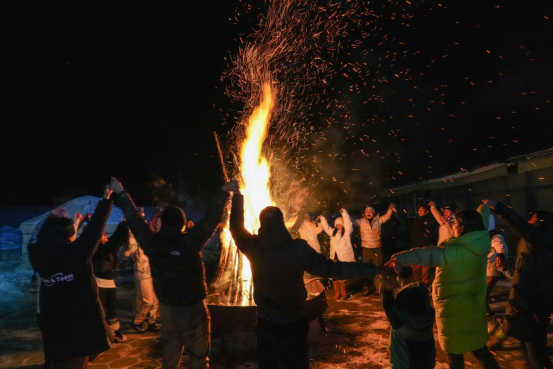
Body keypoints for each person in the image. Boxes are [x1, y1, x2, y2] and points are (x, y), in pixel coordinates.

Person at [229, 187, 377, 369]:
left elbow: (235, 227)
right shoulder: (297, 249)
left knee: (268, 364)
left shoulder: (253, 247)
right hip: (293, 322)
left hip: (266, 322)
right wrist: (367, 268)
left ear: (261, 224)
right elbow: (332, 268)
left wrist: (237, 196)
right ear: (282, 223)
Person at [110, 177, 234, 369]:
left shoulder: (152, 243)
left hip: (168, 309)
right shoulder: (191, 241)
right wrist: (224, 191)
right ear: (183, 224)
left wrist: (121, 193)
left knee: (170, 359)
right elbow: (211, 218)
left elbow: (134, 219)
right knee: (199, 358)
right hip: (193, 309)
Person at [386, 203, 501, 369]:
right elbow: (481, 215)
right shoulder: (481, 238)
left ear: (463, 228)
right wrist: (485, 206)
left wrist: (399, 258)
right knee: (479, 349)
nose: (452, 225)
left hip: (453, 310)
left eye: (455, 223)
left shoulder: (454, 252)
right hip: (473, 307)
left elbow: (428, 254)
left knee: (454, 354)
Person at [29, 185, 113, 369]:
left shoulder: (36, 252)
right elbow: (96, 230)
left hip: (53, 323)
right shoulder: (75, 255)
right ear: (68, 236)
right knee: (74, 362)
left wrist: (57, 220)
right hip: (77, 326)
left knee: (57, 359)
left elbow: (43, 236)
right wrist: (106, 198)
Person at [486, 201, 553, 369]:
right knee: (524, 335)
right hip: (532, 294)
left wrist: (499, 208)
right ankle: (528, 364)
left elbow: (519, 224)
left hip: (530, 297)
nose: (530, 219)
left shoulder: (538, 237)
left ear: (540, 223)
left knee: (532, 342)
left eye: (533, 218)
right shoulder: (542, 239)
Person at [381, 277, 435, 369]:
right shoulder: (429, 315)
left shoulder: (400, 321)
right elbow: (414, 295)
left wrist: (384, 282)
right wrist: (400, 274)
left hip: (405, 366)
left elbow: (387, 301)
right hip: (427, 363)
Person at [92, 221, 130, 343]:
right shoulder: (98, 249)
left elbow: (116, 243)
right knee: (101, 309)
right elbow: (116, 241)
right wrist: (123, 226)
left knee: (111, 307)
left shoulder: (107, 248)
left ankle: (113, 330)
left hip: (109, 281)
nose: (106, 238)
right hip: (99, 281)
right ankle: (101, 335)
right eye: (104, 236)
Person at [124, 214, 160, 334]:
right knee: (148, 300)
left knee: (155, 300)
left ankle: (152, 321)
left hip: (151, 272)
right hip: (142, 272)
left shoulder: (150, 237)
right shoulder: (136, 238)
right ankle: (137, 321)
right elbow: (132, 251)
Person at [352, 204, 394, 295]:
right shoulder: (361, 221)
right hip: (366, 249)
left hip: (377, 248)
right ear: (365, 213)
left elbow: (387, 217)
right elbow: (352, 221)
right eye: (367, 211)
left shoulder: (378, 220)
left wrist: (390, 209)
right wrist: (344, 213)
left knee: (378, 269)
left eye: (370, 211)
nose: (368, 213)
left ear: (373, 213)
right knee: (366, 269)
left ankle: (378, 288)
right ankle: (367, 287)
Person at [393, 203, 439, 286]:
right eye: (419, 210)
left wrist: (434, 207)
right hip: (415, 249)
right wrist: (396, 212)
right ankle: (418, 285)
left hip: (426, 250)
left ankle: (425, 285)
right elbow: (403, 220)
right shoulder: (415, 221)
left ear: (427, 211)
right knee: (416, 269)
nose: (419, 211)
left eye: (422, 210)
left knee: (425, 269)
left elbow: (438, 218)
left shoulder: (431, 221)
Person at [318, 208, 355, 300]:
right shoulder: (332, 233)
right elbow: (326, 227)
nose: (339, 226)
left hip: (343, 257)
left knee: (341, 275)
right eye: (337, 224)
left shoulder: (347, 233)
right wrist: (322, 218)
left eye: (340, 224)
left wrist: (344, 213)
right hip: (334, 257)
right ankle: (337, 293)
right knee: (334, 275)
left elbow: (348, 223)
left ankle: (344, 293)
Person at [485, 229, 509, 335]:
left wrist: (501, 256)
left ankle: (492, 321)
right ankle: (490, 321)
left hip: (492, 271)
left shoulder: (494, 236)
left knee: (480, 297)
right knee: (479, 297)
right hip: (485, 271)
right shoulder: (481, 235)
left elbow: (501, 247)